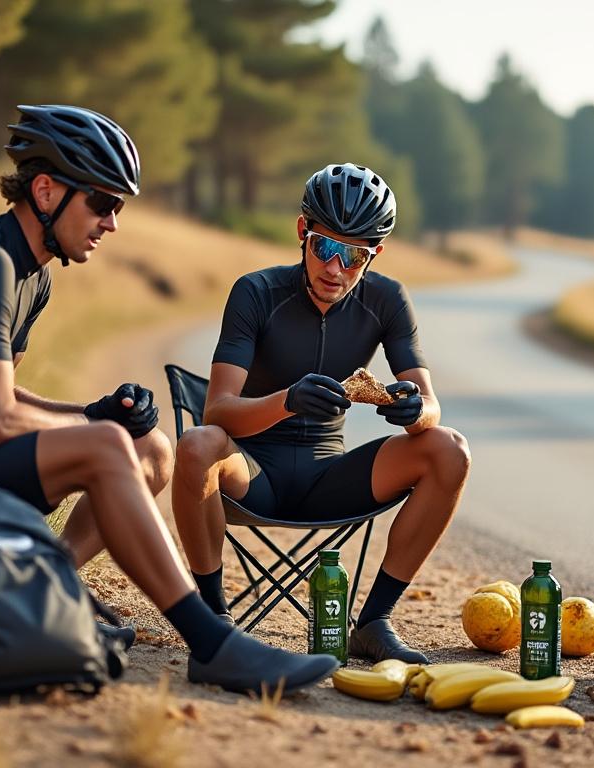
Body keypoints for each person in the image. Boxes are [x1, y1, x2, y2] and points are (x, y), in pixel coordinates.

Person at [0, 104, 339, 694]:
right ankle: (211, 642)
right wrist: (90, 429)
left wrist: (95, 414)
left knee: (151, 449)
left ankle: (36, 591)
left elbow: (4, 391)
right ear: (47, 190)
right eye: (102, 204)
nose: (112, 224)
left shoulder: (34, 275)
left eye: (119, 208)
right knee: (109, 447)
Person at [171, 163, 471, 663]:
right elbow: (218, 411)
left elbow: (430, 407)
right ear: (301, 233)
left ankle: (374, 622)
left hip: (328, 477)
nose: (335, 268)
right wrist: (287, 400)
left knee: (450, 448)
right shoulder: (256, 292)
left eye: (353, 256)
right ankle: (213, 620)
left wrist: (416, 411)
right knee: (195, 444)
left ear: (375, 254)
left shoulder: (388, 299)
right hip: (253, 473)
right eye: (324, 247)